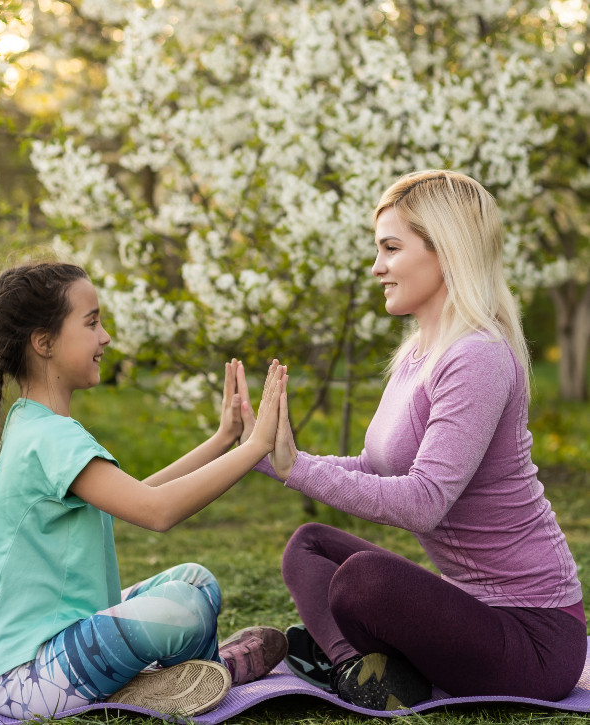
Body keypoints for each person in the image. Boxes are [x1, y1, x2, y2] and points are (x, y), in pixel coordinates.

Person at [240, 170, 587, 711]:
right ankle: (358, 668)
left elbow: (424, 503)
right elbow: (374, 467)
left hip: (534, 639)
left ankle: (339, 658)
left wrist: (296, 470)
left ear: (445, 251)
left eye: (391, 248)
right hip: (469, 611)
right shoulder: (417, 356)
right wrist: (261, 453)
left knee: (363, 582)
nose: (377, 267)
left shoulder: (478, 357)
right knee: (309, 545)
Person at [0, 262, 289, 720]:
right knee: (186, 608)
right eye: (92, 322)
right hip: (22, 679)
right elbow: (156, 511)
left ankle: (172, 677)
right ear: (44, 342)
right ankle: (211, 670)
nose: (106, 337)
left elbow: (135, 496)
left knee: (195, 580)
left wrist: (222, 440)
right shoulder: (51, 438)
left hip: (30, 661)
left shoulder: (33, 423)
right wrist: (256, 446)